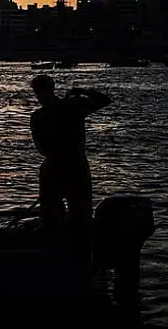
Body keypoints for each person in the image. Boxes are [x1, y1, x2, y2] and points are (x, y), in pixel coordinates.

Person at [30, 74, 111, 233]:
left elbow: (42, 149)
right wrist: (83, 92)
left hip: (64, 167)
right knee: (67, 217)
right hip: (68, 167)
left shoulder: (47, 114)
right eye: (37, 92)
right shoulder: (70, 107)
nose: (38, 96)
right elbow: (104, 100)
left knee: (71, 216)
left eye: (39, 92)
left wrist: (82, 92)